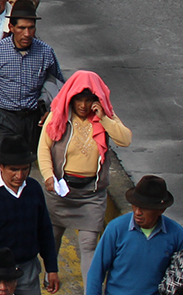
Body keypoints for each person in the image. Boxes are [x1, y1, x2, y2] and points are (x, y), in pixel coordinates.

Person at [40, 70, 131, 282]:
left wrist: (104, 120)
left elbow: (125, 139)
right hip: (61, 191)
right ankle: (49, 274)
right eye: (79, 99)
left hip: (91, 194)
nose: (83, 105)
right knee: (52, 238)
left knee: (90, 244)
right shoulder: (58, 116)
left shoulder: (105, 116)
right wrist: (48, 176)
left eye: (89, 100)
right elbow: (44, 149)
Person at [0, 141, 60, 295]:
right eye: (14, 170)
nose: (20, 175)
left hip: (27, 271)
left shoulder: (34, 189)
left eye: (25, 169)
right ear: (0, 166)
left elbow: (44, 230)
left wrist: (51, 268)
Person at [0, 0, 63, 159]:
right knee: (8, 160)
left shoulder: (46, 53)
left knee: (27, 161)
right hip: (4, 118)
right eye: (22, 28)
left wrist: (51, 112)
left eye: (31, 28)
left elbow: (58, 86)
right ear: (11, 27)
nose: (27, 34)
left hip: (33, 119)